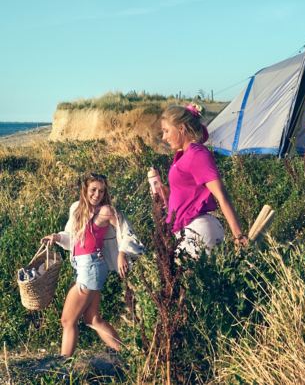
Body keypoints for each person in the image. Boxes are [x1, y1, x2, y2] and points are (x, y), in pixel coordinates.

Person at [41, 172, 144, 358]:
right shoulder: (76, 209)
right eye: (93, 190)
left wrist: (122, 253)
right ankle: (129, 356)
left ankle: (64, 368)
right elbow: (72, 237)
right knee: (92, 318)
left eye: (102, 191)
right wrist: (55, 237)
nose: (97, 195)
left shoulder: (106, 211)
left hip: (92, 267)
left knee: (67, 320)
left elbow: (125, 231)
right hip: (85, 266)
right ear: (85, 190)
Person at [158, 103, 246, 258]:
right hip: (187, 230)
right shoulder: (183, 155)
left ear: (181, 128)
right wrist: (168, 194)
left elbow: (221, 195)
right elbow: (189, 191)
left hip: (198, 230)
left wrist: (238, 235)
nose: (164, 137)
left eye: (166, 131)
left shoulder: (197, 154)